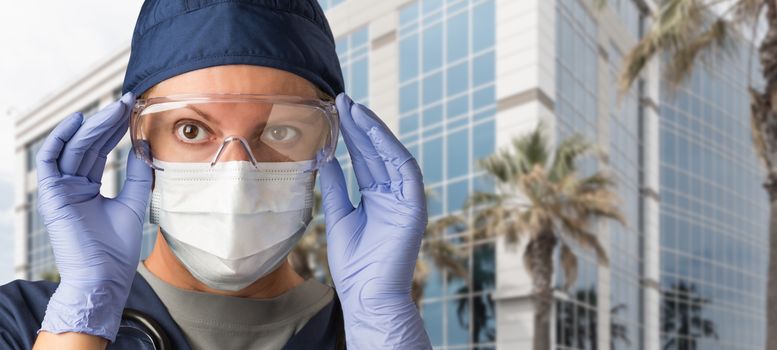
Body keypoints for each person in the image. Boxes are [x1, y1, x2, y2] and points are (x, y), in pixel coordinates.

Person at [0, 1, 432, 349]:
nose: (236, 175)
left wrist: (380, 325)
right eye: (191, 130)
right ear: (140, 143)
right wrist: (81, 315)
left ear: (325, 146)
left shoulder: (365, 330)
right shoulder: (20, 321)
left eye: (280, 131)